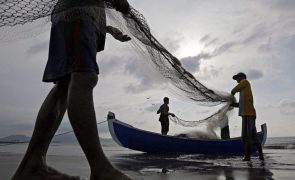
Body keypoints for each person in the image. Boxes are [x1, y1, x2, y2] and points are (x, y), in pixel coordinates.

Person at [12, 0, 132, 180]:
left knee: (65, 84)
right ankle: (100, 168)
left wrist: (107, 29)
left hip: (76, 15)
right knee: (84, 76)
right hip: (78, 13)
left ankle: (32, 165)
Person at [230, 72, 264, 161]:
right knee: (249, 136)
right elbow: (241, 104)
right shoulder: (243, 91)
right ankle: (259, 156)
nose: (236, 79)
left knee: (248, 136)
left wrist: (231, 95)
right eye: (236, 78)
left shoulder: (245, 82)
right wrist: (233, 104)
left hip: (249, 114)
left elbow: (234, 90)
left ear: (242, 77)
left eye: (238, 77)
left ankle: (248, 157)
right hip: (246, 115)